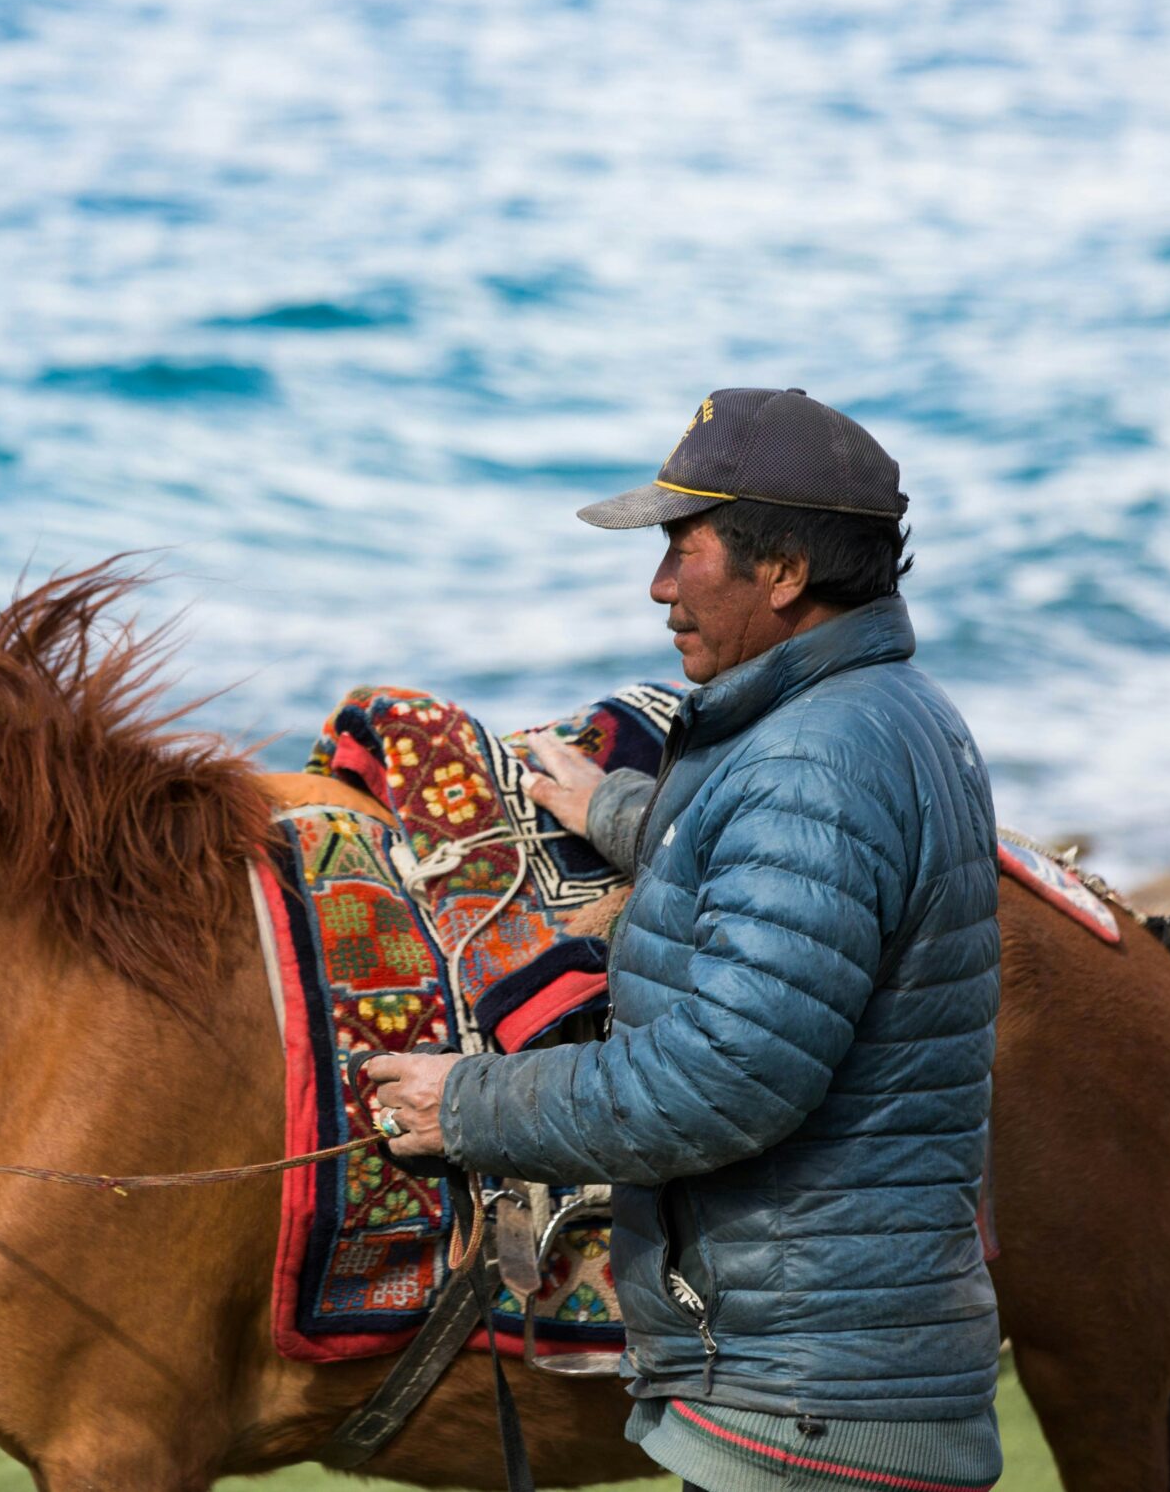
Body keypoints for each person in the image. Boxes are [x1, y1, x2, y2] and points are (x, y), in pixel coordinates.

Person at [363, 388, 1004, 1492]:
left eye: (682, 548)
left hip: (801, 1410)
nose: (659, 587)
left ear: (787, 571)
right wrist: (622, 814)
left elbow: (729, 1075)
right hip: (837, 1378)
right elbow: (799, 876)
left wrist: (463, 1106)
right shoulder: (888, 713)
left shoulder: (811, 763)